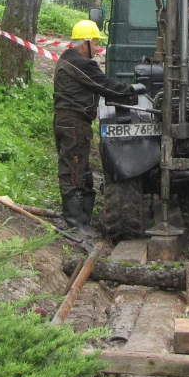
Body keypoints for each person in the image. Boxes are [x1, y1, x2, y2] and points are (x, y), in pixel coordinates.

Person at [53, 19, 144, 235]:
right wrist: (131, 90)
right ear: (85, 43)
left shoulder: (67, 58)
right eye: (95, 44)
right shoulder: (81, 64)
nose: (97, 48)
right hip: (73, 123)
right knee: (74, 170)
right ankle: (76, 225)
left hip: (69, 122)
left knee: (81, 169)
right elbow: (104, 85)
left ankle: (83, 221)